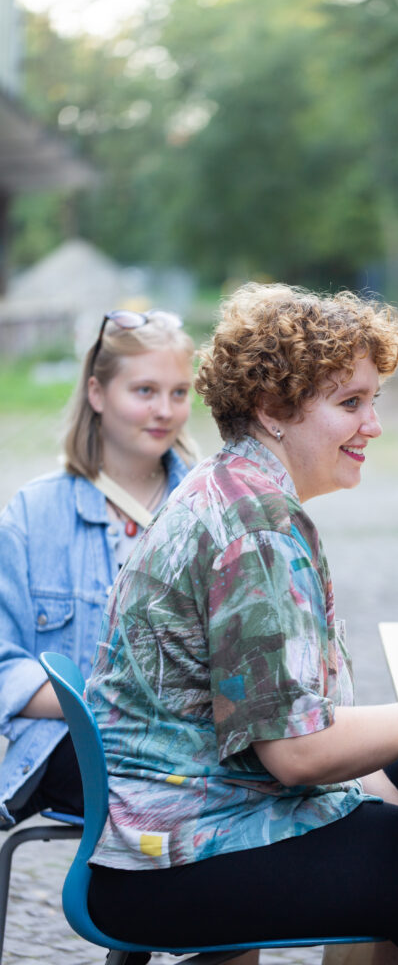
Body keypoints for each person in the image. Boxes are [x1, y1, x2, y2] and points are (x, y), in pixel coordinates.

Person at [84, 283, 398, 965]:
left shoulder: (226, 484)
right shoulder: (256, 525)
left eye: (373, 400)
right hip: (186, 849)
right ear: (273, 409)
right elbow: (298, 754)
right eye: (349, 403)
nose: (372, 424)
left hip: (170, 821)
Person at [0, 309, 196, 828]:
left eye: (179, 392)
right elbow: (3, 667)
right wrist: (112, 701)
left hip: (196, 744)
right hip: (72, 746)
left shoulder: (208, 505)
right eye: (145, 391)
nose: (165, 410)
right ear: (96, 393)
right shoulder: (33, 513)